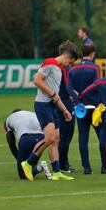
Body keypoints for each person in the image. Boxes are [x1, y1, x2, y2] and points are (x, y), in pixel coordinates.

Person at [21, 41, 78, 181]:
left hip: (52, 106)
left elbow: (55, 94)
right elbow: (36, 81)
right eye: (70, 62)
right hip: (42, 105)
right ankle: (28, 163)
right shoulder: (50, 62)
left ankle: (57, 172)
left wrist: (65, 110)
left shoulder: (59, 69)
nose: (69, 65)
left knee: (55, 139)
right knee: (49, 138)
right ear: (67, 56)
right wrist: (52, 94)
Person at [68, 45, 106, 174]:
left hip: (80, 108)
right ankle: (104, 167)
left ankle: (86, 167)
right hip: (94, 107)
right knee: (102, 136)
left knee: (83, 137)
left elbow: (69, 88)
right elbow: (97, 85)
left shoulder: (73, 69)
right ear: (92, 54)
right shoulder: (95, 68)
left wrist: (77, 100)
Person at [4, 109, 52, 180]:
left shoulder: (9, 118)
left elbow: (11, 142)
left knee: (23, 175)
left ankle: (40, 167)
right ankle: (40, 169)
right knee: (30, 165)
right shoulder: (33, 114)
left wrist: (19, 159)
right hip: (41, 138)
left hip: (26, 138)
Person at [57, 44, 77, 173]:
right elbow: (67, 88)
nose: (73, 60)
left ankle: (63, 162)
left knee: (63, 135)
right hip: (64, 103)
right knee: (66, 134)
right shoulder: (63, 69)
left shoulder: (58, 67)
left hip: (58, 103)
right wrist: (76, 96)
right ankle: (62, 165)